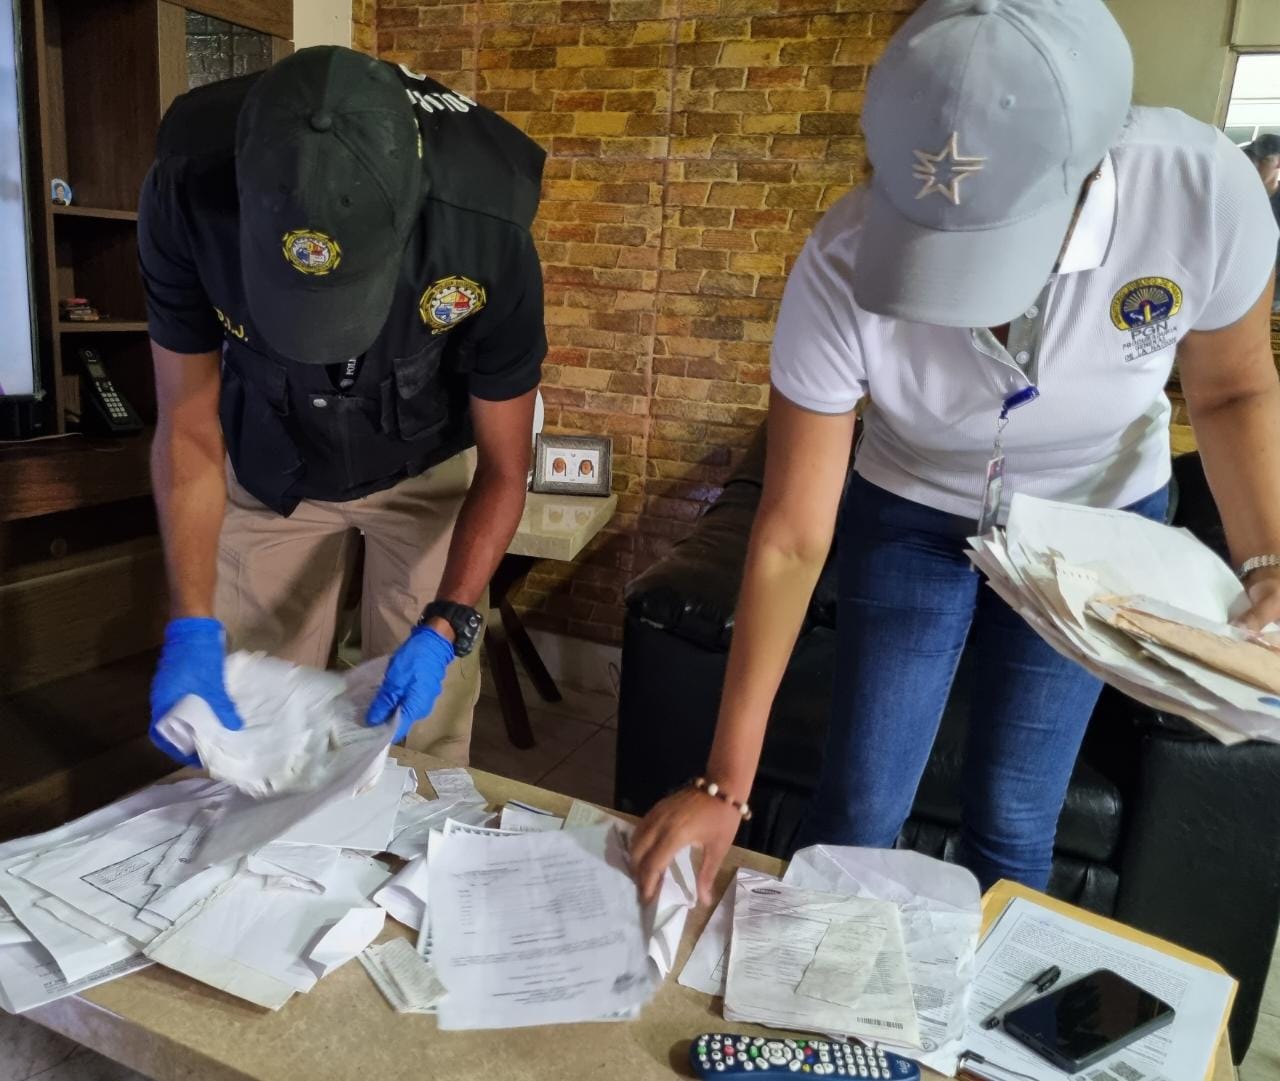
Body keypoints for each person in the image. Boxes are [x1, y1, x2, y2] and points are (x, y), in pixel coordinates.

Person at [632, 0, 1280, 905]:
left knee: (1014, 814)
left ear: (1095, 168)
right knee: (859, 801)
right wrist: (723, 783)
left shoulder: (1201, 192)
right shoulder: (840, 258)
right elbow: (791, 536)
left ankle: (978, 1000)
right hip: (910, 506)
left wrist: (1267, 559)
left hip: (1093, 518)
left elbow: (1233, 390)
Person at [141, 47, 546, 766]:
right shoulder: (186, 194)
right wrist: (191, 624)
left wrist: (446, 623)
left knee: (420, 730)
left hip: (425, 463)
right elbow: (188, 424)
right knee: (246, 723)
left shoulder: (485, 225)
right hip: (271, 456)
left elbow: (506, 467)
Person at [1242, 134, 1280, 310]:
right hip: (1241, 286)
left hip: (1273, 291)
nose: (1256, 165)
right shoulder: (1241, 195)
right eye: (1253, 158)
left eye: (1264, 160)